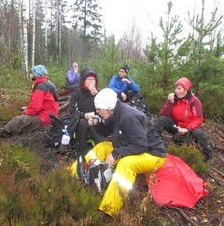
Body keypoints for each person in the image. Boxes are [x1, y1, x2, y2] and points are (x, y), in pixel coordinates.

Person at [69, 88, 166, 218]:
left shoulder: (128, 117)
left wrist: (116, 153)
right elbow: (106, 132)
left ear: (109, 107)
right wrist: (97, 124)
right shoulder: (115, 112)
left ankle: (108, 210)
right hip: (131, 147)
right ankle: (72, 174)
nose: (97, 112)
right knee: (102, 147)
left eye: (99, 109)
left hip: (153, 154)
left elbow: (141, 145)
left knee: (126, 164)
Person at [153, 77, 212, 160]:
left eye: (179, 88)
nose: (176, 91)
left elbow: (198, 119)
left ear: (186, 89)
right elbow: (163, 114)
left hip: (189, 126)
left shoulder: (194, 101)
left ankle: (207, 155)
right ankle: (155, 146)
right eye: (175, 88)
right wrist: (170, 103)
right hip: (177, 125)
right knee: (161, 120)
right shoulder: (174, 98)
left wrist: (187, 129)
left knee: (198, 134)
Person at [0, 65, 59, 137]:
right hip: (50, 116)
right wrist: (28, 108)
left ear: (37, 74)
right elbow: (40, 105)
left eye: (32, 73)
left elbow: (36, 107)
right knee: (23, 119)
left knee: (17, 120)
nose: (30, 74)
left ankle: (4, 133)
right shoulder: (47, 84)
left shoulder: (40, 87)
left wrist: (26, 112)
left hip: (44, 117)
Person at [68, 67, 107, 155]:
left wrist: (96, 95)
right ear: (83, 80)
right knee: (83, 123)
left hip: (97, 117)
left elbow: (106, 108)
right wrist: (84, 116)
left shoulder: (99, 93)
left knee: (95, 122)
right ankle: (82, 151)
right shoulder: (77, 94)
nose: (91, 82)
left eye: (93, 79)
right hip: (82, 119)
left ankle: (102, 151)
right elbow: (72, 111)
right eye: (88, 79)